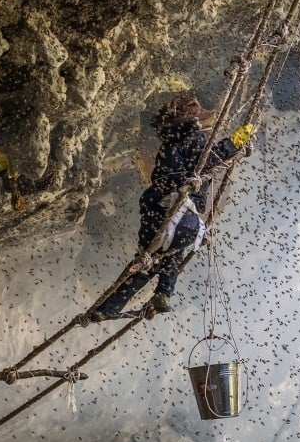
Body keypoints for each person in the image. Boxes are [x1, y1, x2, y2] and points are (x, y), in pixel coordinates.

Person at [91, 92, 253, 321]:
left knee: (150, 260)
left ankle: (110, 307)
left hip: (156, 216)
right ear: (189, 117)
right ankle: (162, 293)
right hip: (180, 218)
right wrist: (236, 142)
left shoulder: (169, 146)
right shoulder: (194, 140)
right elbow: (211, 159)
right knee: (166, 254)